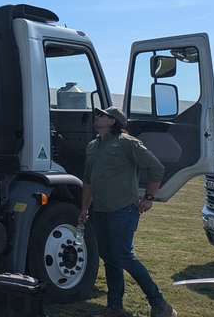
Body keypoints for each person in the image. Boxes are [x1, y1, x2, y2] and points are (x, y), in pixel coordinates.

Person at [79, 106, 177, 317]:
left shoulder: (127, 143)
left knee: (123, 256)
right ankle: (115, 308)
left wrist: (149, 198)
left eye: (102, 115)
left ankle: (160, 305)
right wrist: (85, 208)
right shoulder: (92, 147)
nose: (97, 117)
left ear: (112, 121)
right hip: (100, 211)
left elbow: (157, 168)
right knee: (110, 258)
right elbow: (87, 179)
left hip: (122, 210)